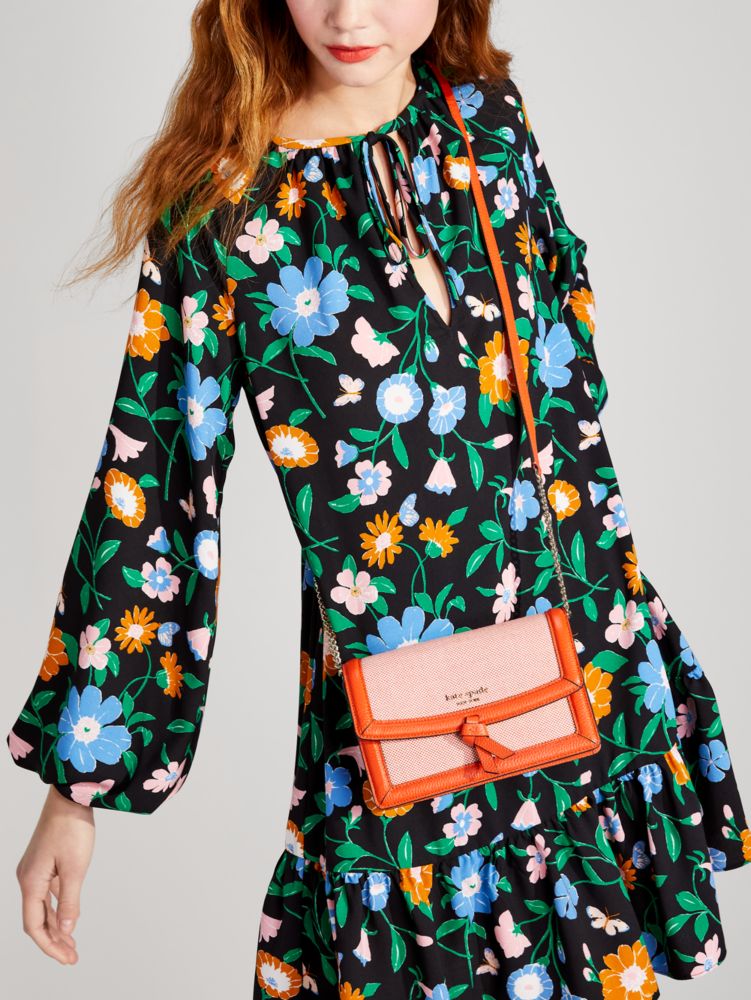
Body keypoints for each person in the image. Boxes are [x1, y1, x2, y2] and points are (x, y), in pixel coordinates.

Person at [6, 1, 750, 996]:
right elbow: (154, 486)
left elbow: (567, 401)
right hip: (401, 732)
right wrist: (75, 794)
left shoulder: (488, 123)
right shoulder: (222, 209)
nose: (350, 14)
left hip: (582, 669)